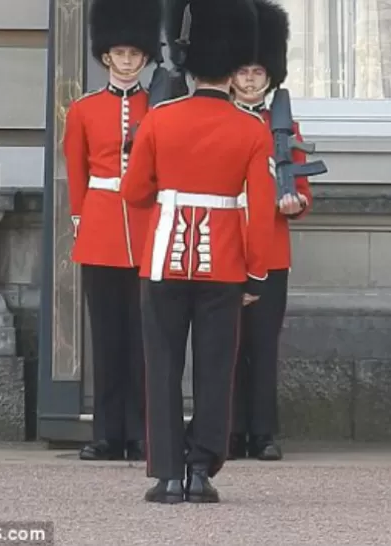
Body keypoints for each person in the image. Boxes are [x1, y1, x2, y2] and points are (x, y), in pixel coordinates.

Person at [119, 0, 276, 504]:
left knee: (162, 366)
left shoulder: (159, 119)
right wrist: (256, 273)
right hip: (224, 263)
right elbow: (261, 209)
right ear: (233, 70)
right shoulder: (251, 129)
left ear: (189, 68)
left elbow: (132, 192)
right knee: (215, 369)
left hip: (163, 258)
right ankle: (201, 470)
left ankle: (168, 475)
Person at [64, 0, 161, 463]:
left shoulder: (158, 106)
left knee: (144, 338)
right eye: (119, 53)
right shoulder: (83, 109)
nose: (126, 61)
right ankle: (107, 433)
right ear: (106, 56)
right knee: (106, 338)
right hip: (101, 227)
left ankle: (141, 432)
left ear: (144, 57)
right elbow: (76, 170)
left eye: (133, 54)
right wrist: (80, 220)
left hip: (146, 226)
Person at [228, 0, 312, 462]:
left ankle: (262, 432)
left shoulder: (283, 125)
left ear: (269, 75)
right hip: (224, 245)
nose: (249, 79)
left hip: (271, 249)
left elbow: (299, 184)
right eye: (242, 71)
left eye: (257, 72)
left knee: (262, 345)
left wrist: (295, 203)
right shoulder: (219, 120)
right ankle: (229, 429)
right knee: (225, 345)